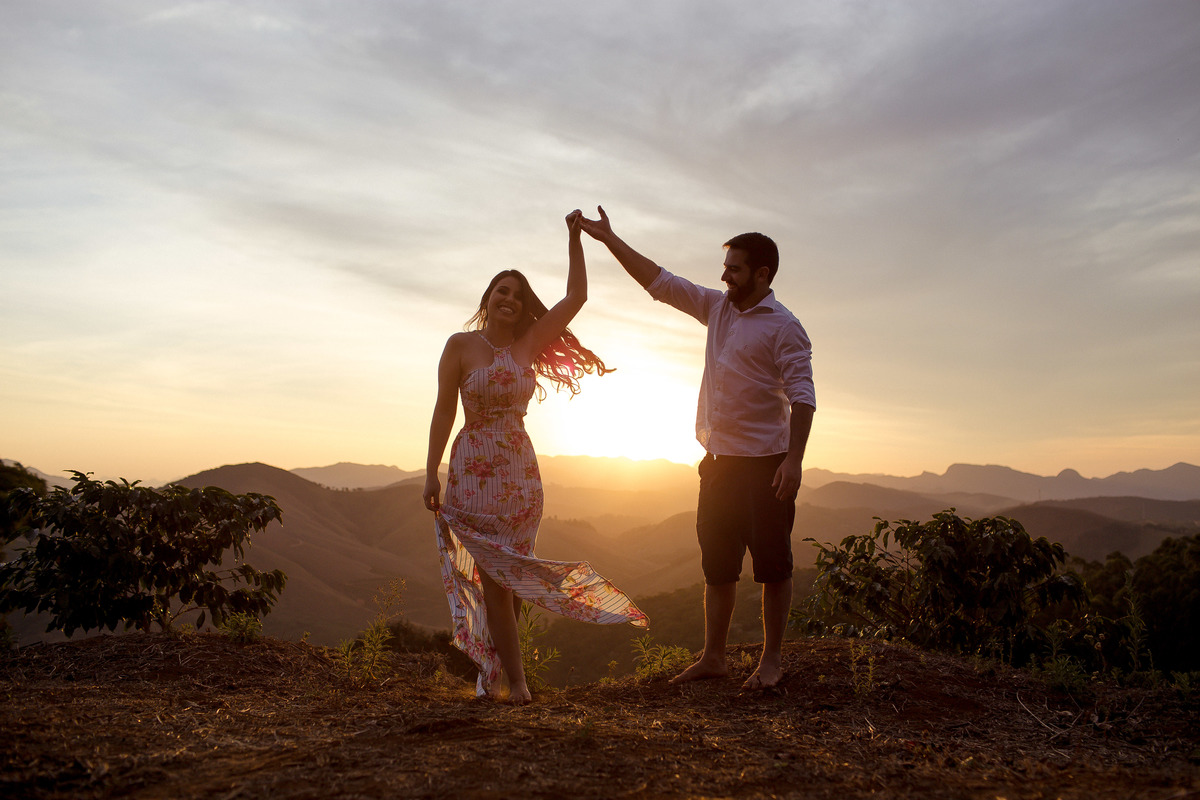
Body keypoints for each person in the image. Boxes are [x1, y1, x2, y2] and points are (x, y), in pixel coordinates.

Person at [579, 206, 815, 691]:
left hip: (767, 465)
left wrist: (794, 460)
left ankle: (771, 661)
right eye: (725, 267)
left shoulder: (784, 326)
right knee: (718, 566)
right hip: (719, 463)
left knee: (773, 567)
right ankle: (714, 658)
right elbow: (661, 282)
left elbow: (803, 396)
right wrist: (609, 239)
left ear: (762, 274)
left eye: (735, 269)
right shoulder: (718, 308)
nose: (724, 276)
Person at [423, 210, 648, 704]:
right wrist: (430, 471)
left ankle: (502, 678)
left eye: (518, 296)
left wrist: (575, 239)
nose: (509, 299)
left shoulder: (529, 342)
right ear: (487, 298)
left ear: (524, 309)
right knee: (495, 580)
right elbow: (443, 410)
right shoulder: (460, 345)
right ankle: (512, 681)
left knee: (508, 577)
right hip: (471, 472)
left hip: (519, 477)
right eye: (501, 291)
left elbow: (576, 297)